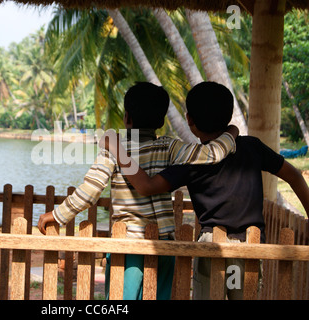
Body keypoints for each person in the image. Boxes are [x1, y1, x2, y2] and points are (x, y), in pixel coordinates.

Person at [101, 81, 309, 299]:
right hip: (248, 247)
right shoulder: (252, 147)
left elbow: (146, 186)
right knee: (240, 294)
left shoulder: (192, 160)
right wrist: (233, 130)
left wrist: (117, 148)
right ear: (228, 116)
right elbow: (294, 176)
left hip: (211, 250)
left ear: (190, 121)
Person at [37, 81, 238, 300]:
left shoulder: (114, 149)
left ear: (127, 118)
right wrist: (232, 131)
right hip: (164, 247)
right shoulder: (170, 147)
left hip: (127, 246)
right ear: (161, 121)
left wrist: (57, 215)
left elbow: (89, 191)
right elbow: (213, 154)